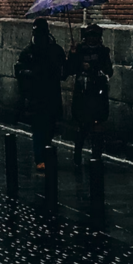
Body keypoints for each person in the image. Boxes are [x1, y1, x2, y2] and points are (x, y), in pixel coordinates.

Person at [15, 18, 66, 171]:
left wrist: (72, 58)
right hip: (35, 96)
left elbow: (64, 72)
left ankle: (45, 153)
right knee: (38, 128)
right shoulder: (28, 52)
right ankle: (40, 159)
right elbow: (19, 72)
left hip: (51, 95)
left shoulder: (56, 50)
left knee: (49, 127)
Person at [64, 23, 113, 166]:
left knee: (97, 124)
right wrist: (73, 56)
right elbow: (70, 70)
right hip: (83, 93)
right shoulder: (79, 50)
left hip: (98, 93)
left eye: (95, 36)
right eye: (89, 36)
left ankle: (96, 155)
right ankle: (77, 155)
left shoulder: (103, 52)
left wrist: (93, 67)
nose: (92, 39)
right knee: (82, 125)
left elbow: (108, 71)